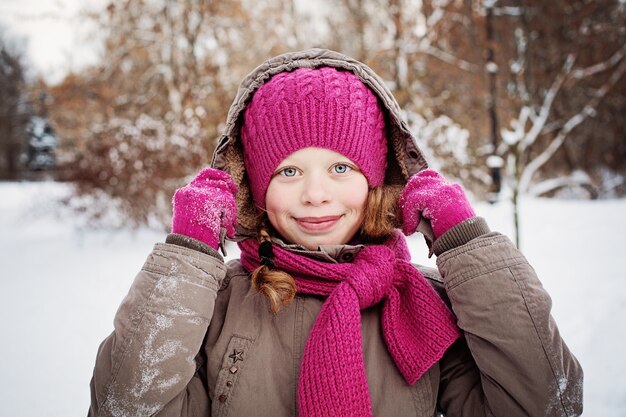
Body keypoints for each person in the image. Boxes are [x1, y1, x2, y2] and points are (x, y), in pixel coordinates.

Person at [88, 49, 583, 417]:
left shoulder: (427, 307)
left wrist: (465, 244)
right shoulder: (215, 305)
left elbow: (547, 404)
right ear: (255, 189)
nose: (316, 194)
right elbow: (124, 406)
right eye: (288, 172)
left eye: (341, 167)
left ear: (376, 180)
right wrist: (189, 255)